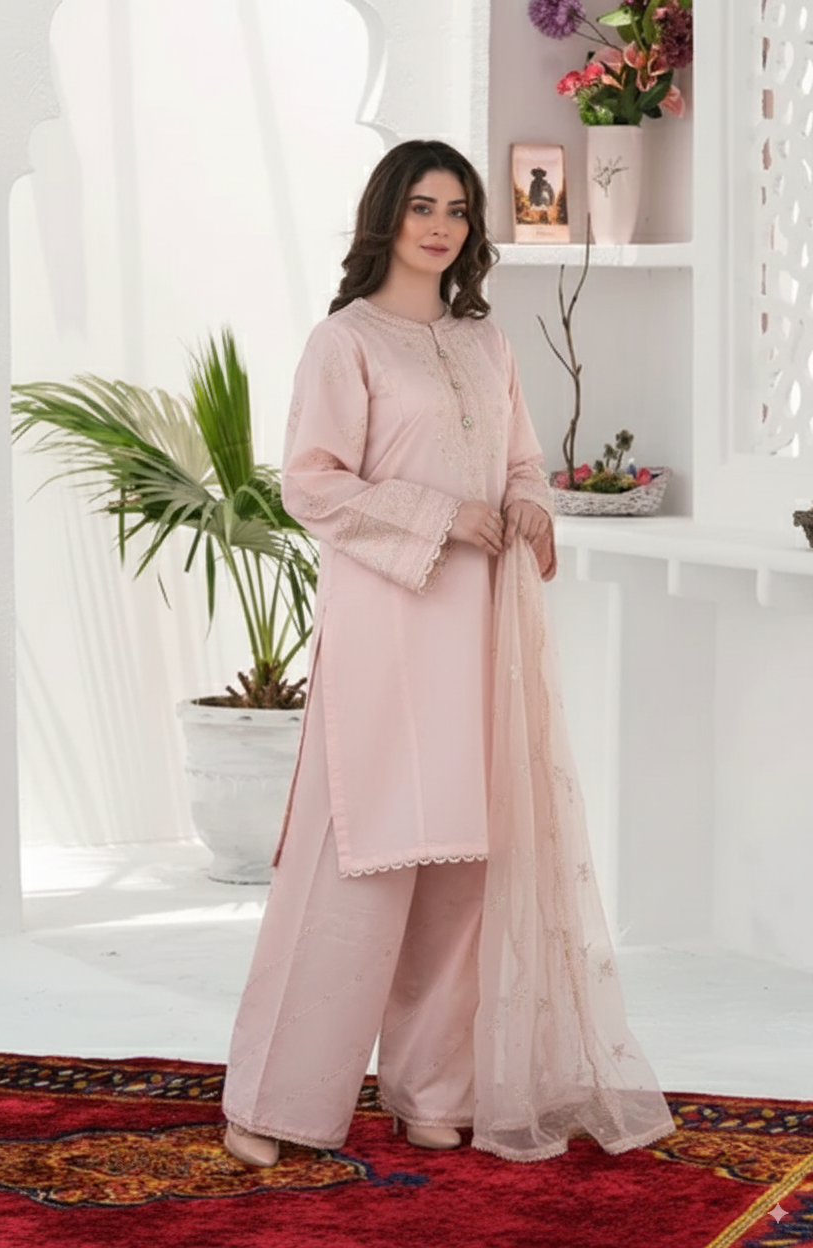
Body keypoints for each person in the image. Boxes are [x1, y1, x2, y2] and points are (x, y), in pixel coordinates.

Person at [222, 139, 675, 1167]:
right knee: (356, 866)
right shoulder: (346, 341)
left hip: (479, 634)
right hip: (386, 628)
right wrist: (439, 515)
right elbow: (310, 482)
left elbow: (521, 462)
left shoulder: (484, 342)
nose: (440, 227)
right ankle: (273, 1102)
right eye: (422, 206)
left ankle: (431, 1087)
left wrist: (527, 505)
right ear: (386, 215)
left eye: (458, 210)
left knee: (464, 865)